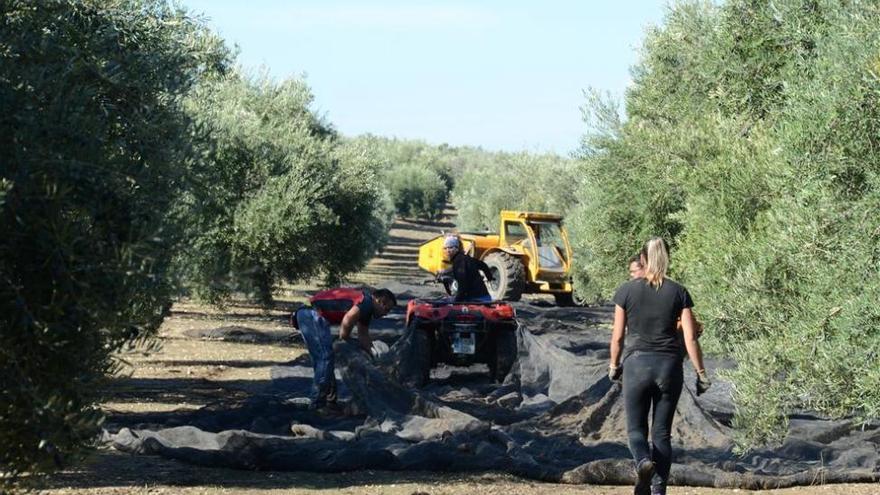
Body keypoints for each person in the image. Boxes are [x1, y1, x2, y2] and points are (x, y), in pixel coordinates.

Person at [608, 238, 711, 495]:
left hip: (636, 366)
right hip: (669, 367)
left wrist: (613, 365)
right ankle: (657, 490)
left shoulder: (626, 291)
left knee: (635, 429)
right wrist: (701, 373)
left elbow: (618, 337)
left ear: (642, 260)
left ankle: (643, 463)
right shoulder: (679, 291)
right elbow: (690, 337)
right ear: (668, 258)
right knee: (662, 433)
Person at [292, 287, 396, 411]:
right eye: (386, 309)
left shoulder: (366, 307)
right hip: (311, 314)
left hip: (308, 313)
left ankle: (329, 402)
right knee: (325, 358)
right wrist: (344, 340)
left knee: (323, 360)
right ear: (380, 300)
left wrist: (373, 357)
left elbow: (363, 335)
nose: (386, 314)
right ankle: (317, 404)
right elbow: (347, 320)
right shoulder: (367, 303)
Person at [438, 235, 495, 302]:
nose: (448, 250)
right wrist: (489, 277)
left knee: (444, 301)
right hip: (486, 297)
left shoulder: (459, 262)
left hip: (476, 300)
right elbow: (483, 265)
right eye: (445, 248)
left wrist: (456, 301)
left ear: (457, 248)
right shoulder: (466, 258)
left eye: (450, 247)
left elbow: (463, 286)